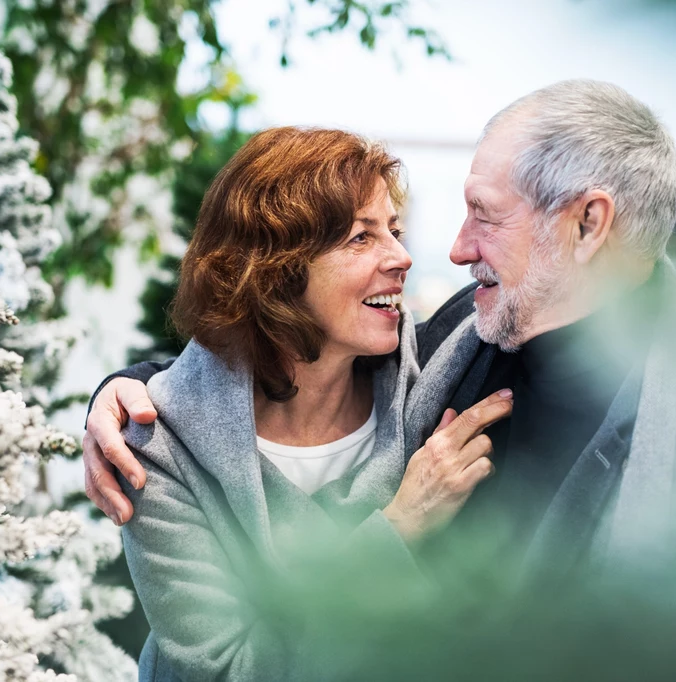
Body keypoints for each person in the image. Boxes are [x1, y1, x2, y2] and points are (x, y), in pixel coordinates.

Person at [86, 80, 676, 625]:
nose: (449, 249)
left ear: (588, 225)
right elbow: (271, 361)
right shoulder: (452, 342)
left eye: (485, 214)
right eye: (365, 235)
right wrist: (137, 391)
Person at [103, 126, 513, 681]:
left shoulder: (431, 380)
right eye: (361, 239)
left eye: (394, 230)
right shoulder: (159, 451)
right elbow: (228, 670)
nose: (403, 257)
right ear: (273, 270)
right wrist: (398, 528)